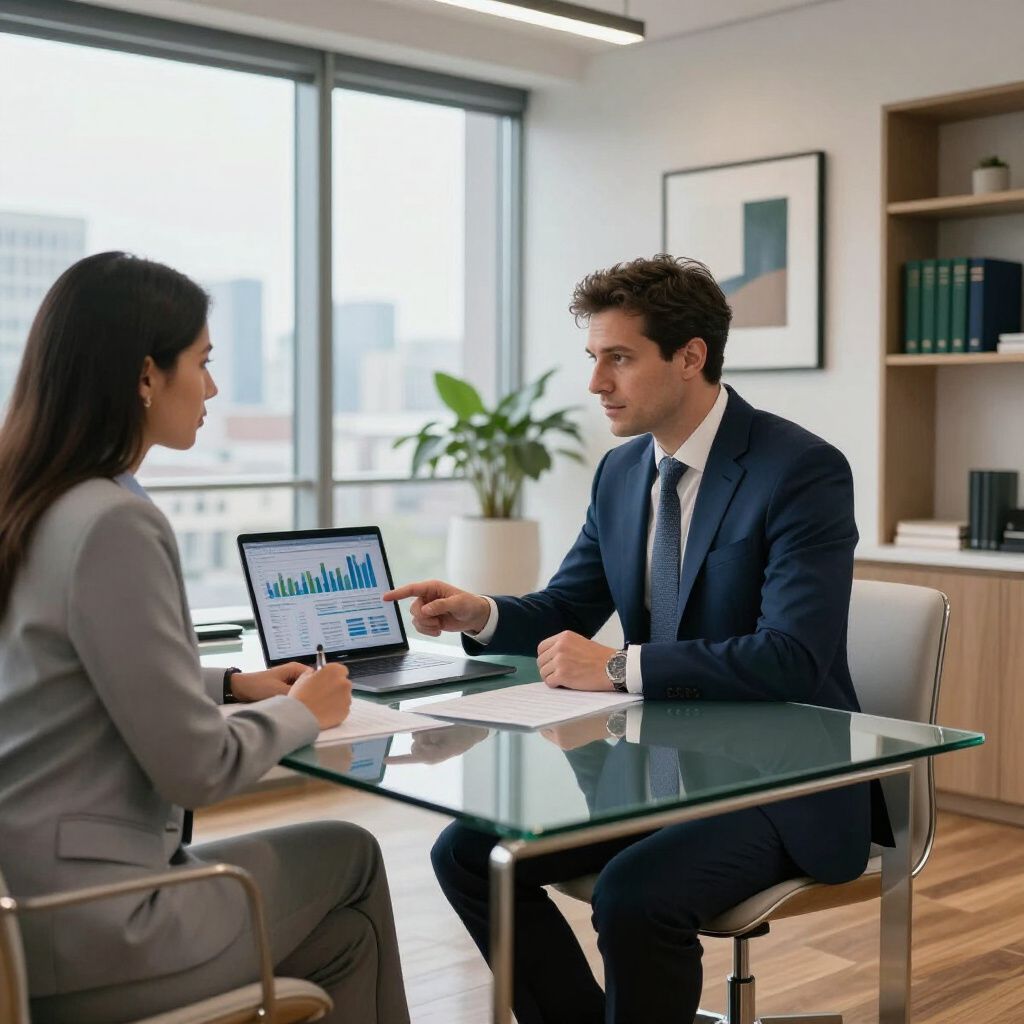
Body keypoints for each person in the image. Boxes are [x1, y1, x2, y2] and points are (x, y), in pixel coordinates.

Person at [384, 254, 891, 1024]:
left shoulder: (801, 471)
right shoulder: (623, 473)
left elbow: (792, 656)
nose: (596, 385)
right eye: (594, 359)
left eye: (618, 358)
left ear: (690, 356)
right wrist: (480, 614)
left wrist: (620, 667)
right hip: (662, 770)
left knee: (634, 895)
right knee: (471, 853)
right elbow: (569, 603)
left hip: (785, 785)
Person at [0, 252, 410, 1024]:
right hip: (105, 925)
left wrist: (230, 685)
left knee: (345, 942)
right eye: (203, 362)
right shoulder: (114, 522)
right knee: (351, 853)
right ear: (146, 376)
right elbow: (197, 768)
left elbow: (59, 676)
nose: (214, 389)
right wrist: (307, 710)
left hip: (30, 914)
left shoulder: (29, 499)